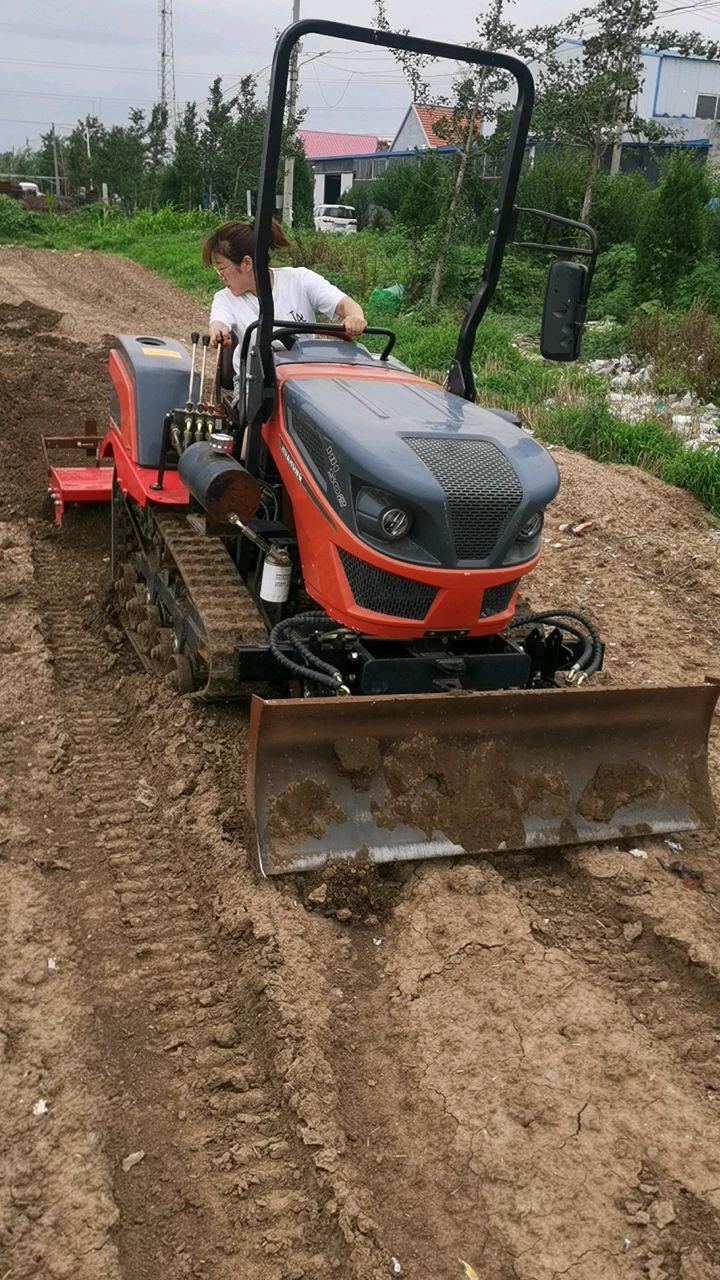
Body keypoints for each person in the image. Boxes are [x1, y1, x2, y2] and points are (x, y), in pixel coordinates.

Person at [203, 218, 366, 374]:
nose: (220, 276)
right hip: (253, 384)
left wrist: (354, 317)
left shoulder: (300, 279)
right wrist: (219, 331)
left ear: (247, 263)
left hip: (301, 374)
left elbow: (346, 304)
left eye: (222, 268)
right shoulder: (225, 298)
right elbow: (218, 321)